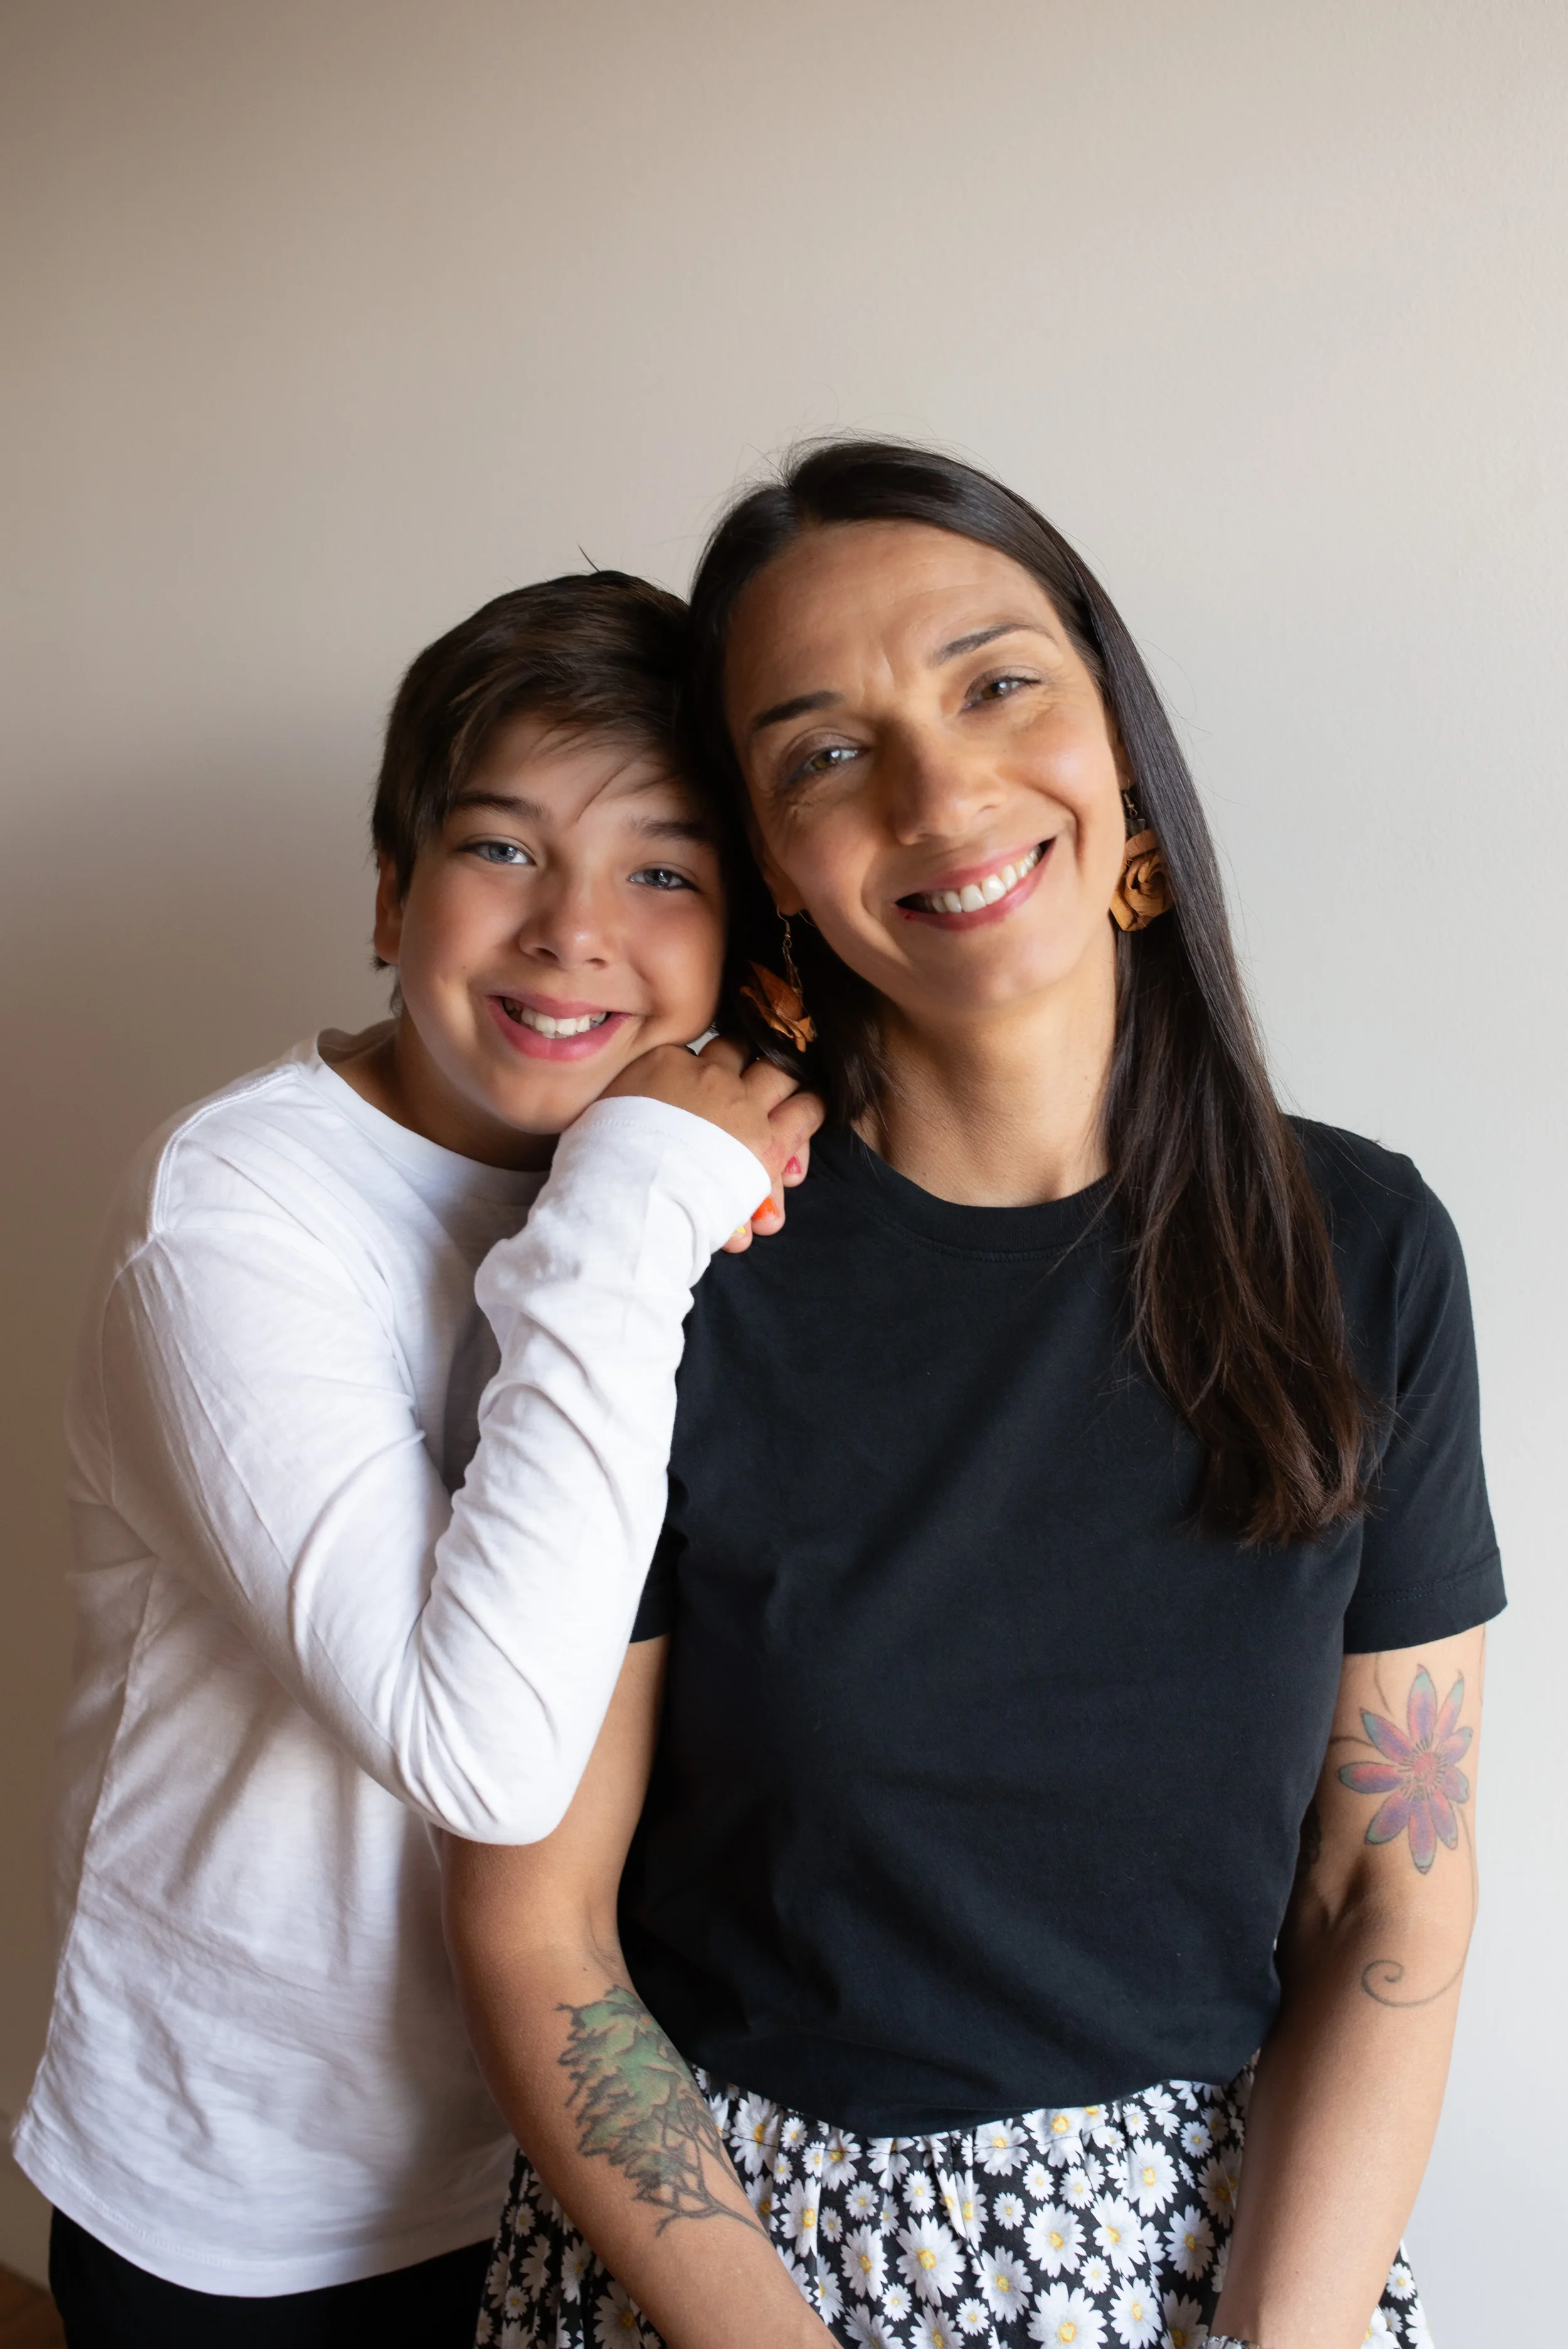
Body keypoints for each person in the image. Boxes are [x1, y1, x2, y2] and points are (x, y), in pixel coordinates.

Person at [448, 445, 1503, 2349]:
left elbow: (1386, 1897)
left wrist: (1281, 2334)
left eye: (993, 682)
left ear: (1123, 754)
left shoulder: (1361, 1250)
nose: (938, 792)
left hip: (1231, 2261)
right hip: (733, 2265)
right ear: (775, 864)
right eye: (824, 753)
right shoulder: (661, 1265)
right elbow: (539, 1934)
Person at [13, 570, 820, 2347]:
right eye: (504, 851)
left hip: (595, 2135)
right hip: (259, 2185)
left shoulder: (705, 1169)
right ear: (390, 894)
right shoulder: (229, 1219)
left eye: (663, 871)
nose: (573, 932)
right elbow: (481, 1753)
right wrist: (634, 1197)